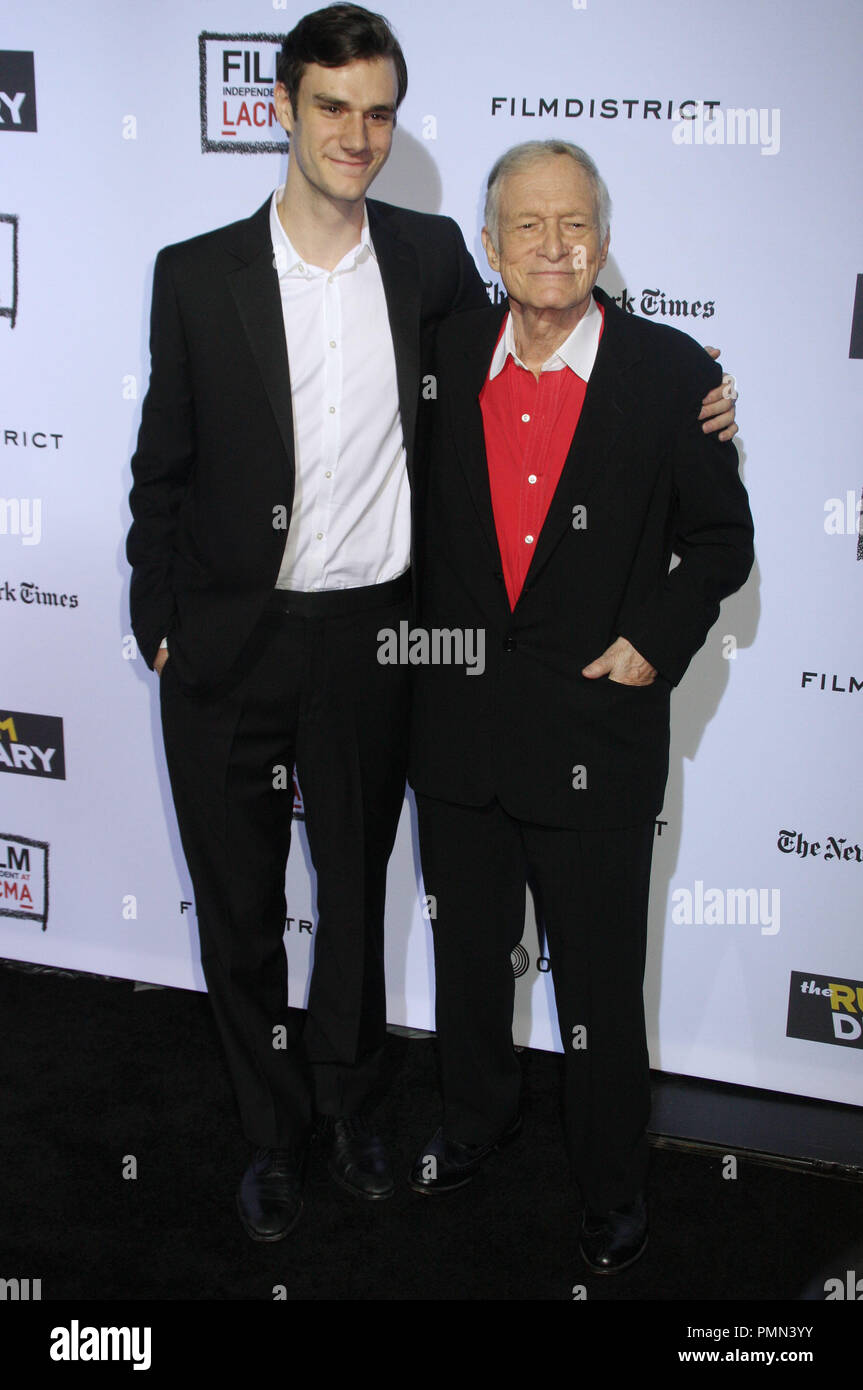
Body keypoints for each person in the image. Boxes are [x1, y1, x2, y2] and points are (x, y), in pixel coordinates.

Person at [127, 3, 737, 1243]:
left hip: (374, 644)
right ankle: (268, 1133)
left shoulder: (428, 269)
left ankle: (352, 1113)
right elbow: (163, 466)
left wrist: (702, 397)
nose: (357, 133)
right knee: (238, 911)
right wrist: (157, 612)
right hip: (227, 647)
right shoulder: (193, 275)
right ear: (282, 109)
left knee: (353, 904)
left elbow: (584, 358)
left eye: (378, 111)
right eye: (333, 107)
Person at [407, 139, 754, 1276]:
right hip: (455, 729)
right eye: (527, 226)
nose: (552, 247)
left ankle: (610, 1185)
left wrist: (653, 643)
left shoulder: (666, 375)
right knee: (468, 958)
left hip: (594, 739)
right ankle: (473, 1122)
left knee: (597, 980)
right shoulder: (442, 352)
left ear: (602, 238)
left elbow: (718, 542)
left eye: (575, 224)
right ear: (489, 244)